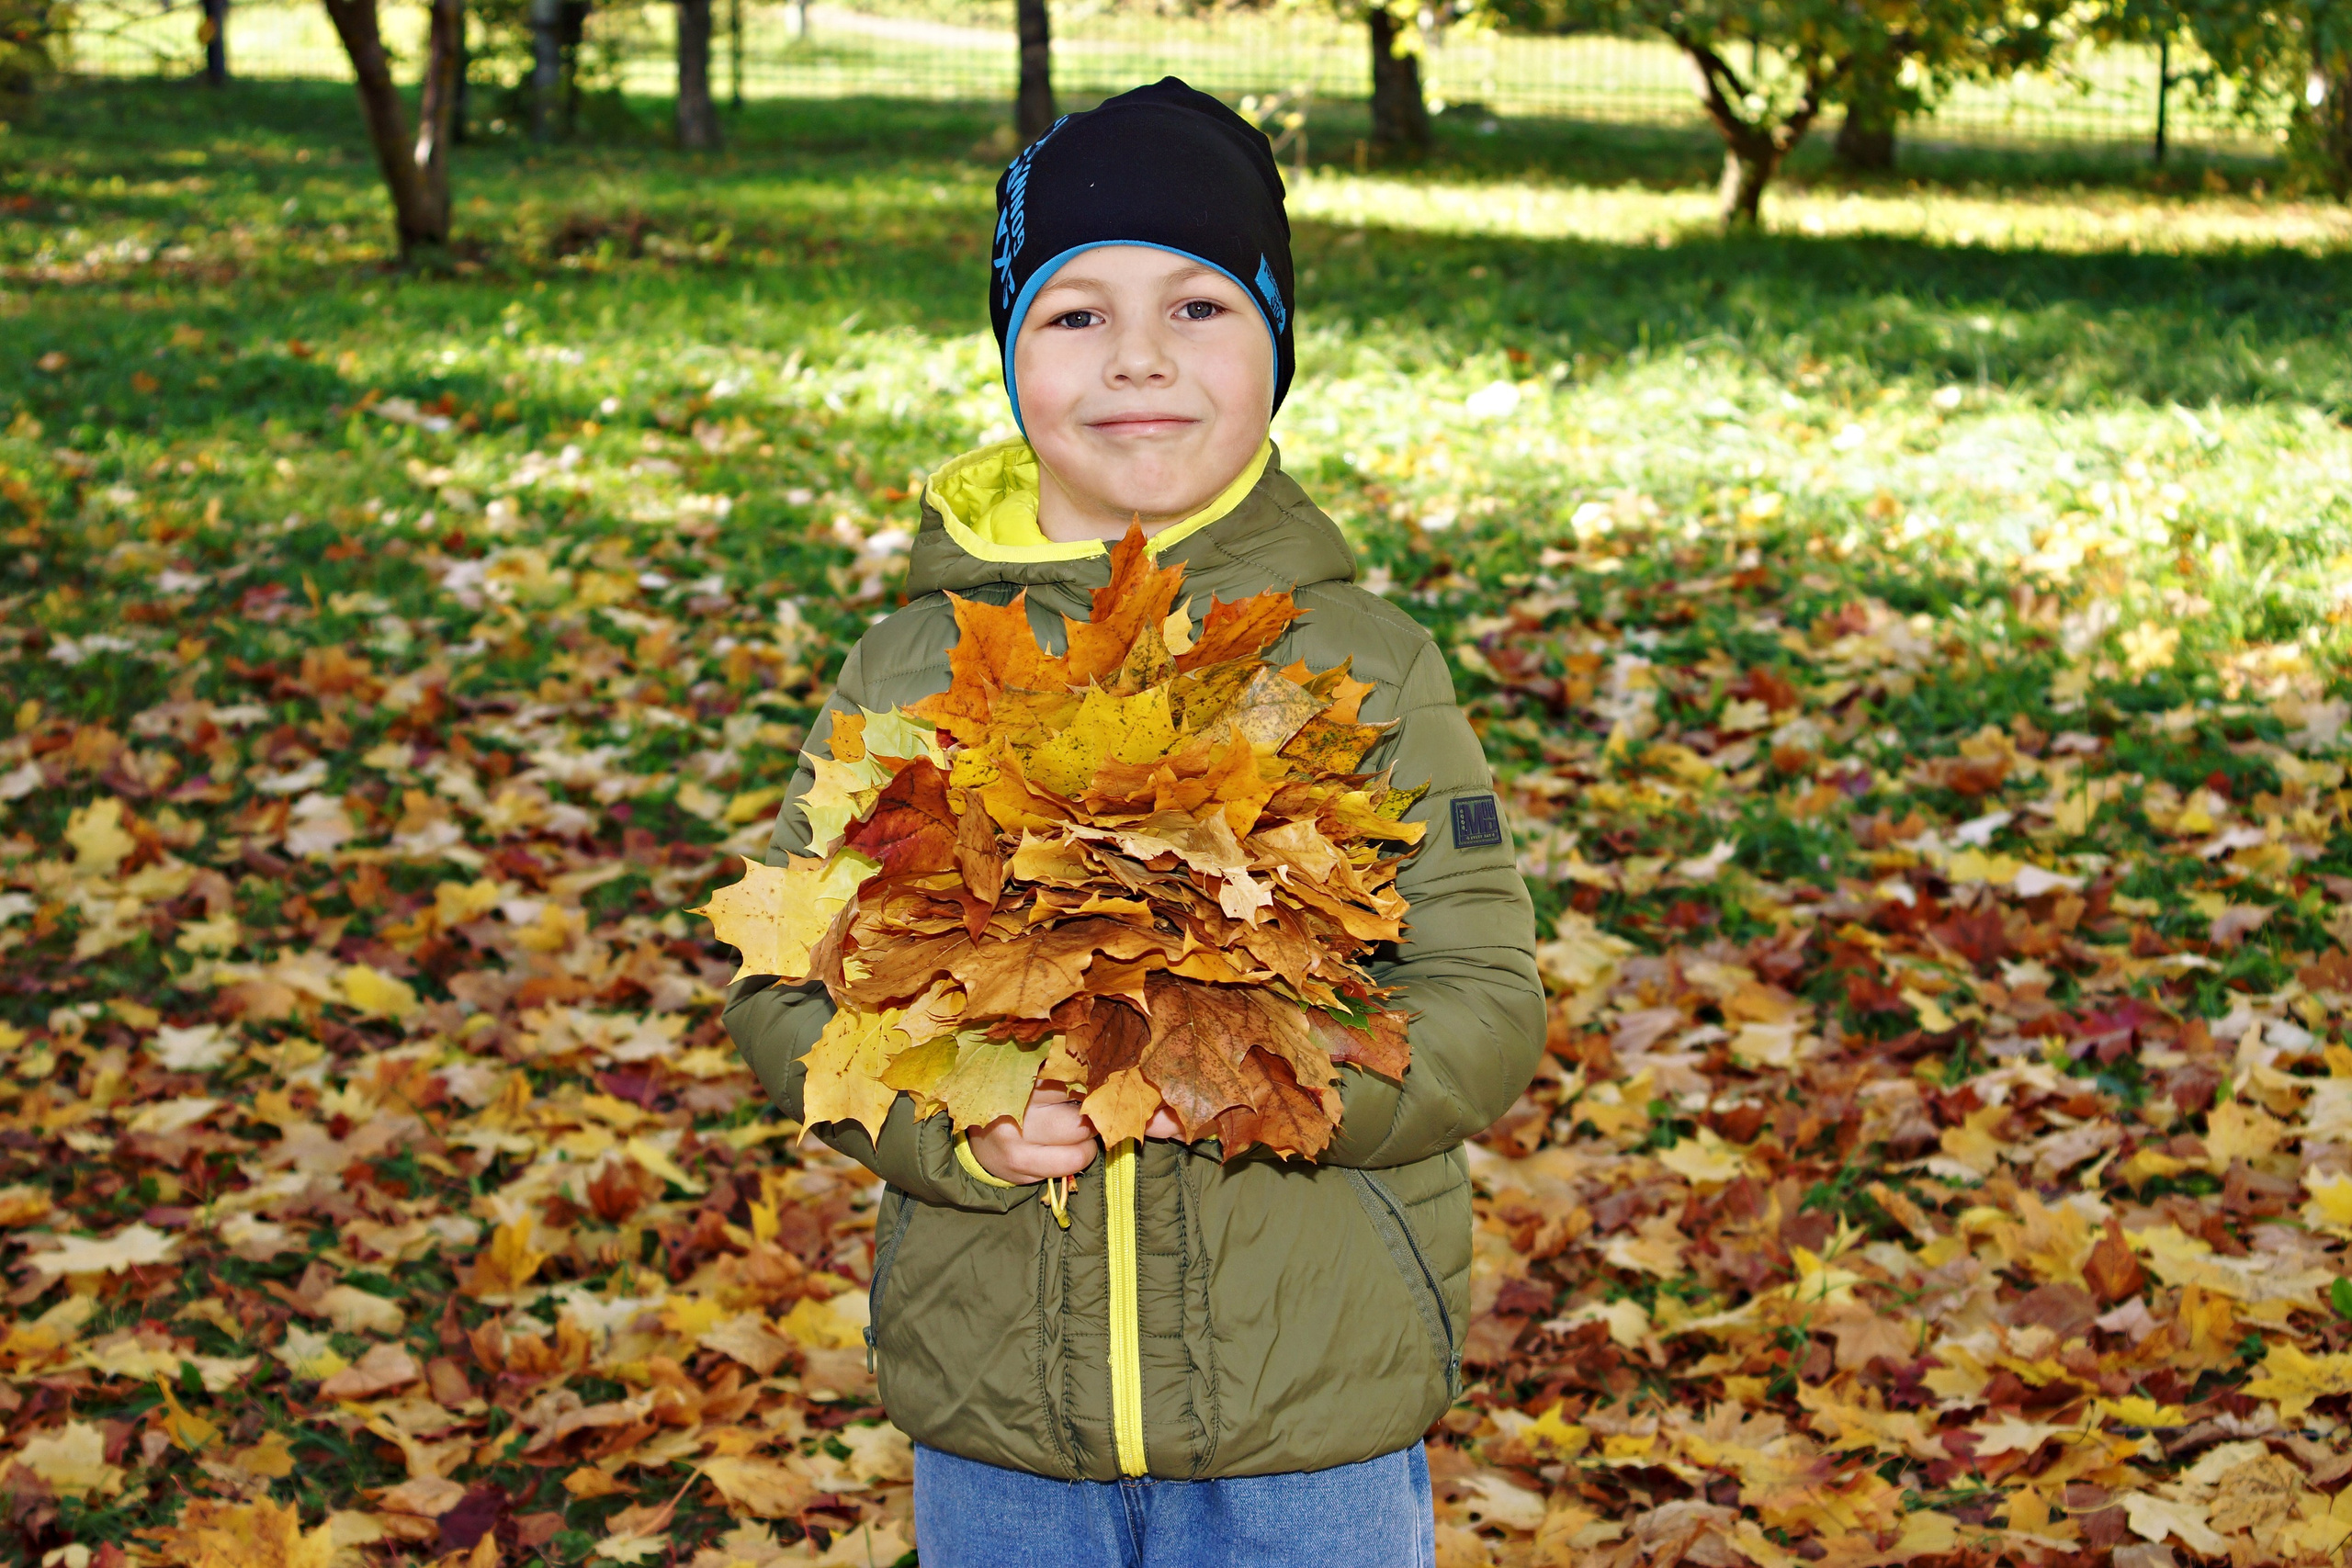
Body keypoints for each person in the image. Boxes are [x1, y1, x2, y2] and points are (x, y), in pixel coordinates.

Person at [725, 77, 1544, 1568]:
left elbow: (1482, 998)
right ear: (1011, 355)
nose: (1140, 358)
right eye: (1077, 313)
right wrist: (958, 1117)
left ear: (1278, 344)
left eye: (1201, 306)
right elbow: (793, 986)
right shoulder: (913, 670)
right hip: (1001, 1414)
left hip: (1313, 1417)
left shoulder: (1360, 666)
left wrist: (1278, 1086)